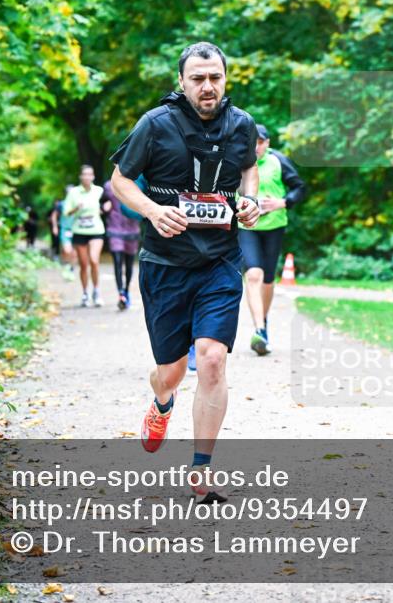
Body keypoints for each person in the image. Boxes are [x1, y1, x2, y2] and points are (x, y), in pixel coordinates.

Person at [110, 41, 260, 503]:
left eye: (215, 77)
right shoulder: (155, 125)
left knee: (213, 358)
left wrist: (249, 201)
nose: (207, 86)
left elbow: (249, 169)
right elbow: (118, 180)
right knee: (170, 372)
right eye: (197, 79)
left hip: (219, 260)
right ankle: (162, 402)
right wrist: (153, 211)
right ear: (182, 82)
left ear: (225, 78)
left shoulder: (241, 125)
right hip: (165, 265)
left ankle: (201, 469)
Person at [238, 124, 306, 355]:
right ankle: (258, 328)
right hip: (247, 225)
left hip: (274, 226)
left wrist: (282, 202)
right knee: (253, 274)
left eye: (260, 142)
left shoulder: (279, 160)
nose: (256, 146)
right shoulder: (238, 158)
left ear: (267, 143)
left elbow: (299, 187)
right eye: (252, 142)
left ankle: (263, 324)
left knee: (267, 279)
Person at [64, 165, 106, 307]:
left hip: (96, 231)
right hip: (80, 231)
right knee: (83, 264)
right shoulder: (74, 193)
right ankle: (85, 293)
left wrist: (105, 208)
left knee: (94, 260)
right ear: (80, 177)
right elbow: (66, 212)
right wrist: (76, 208)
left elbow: (108, 202)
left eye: (90, 174)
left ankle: (96, 291)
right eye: (85, 174)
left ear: (93, 176)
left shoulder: (99, 191)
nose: (87, 177)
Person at [102, 178, 142, 309]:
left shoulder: (136, 183)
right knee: (117, 262)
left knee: (129, 265)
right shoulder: (108, 186)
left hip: (132, 229)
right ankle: (121, 294)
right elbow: (100, 203)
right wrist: (104, 207)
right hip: (114, 228)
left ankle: (126, 290)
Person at [50, 190, 76, 280]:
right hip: (65, 229)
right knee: (67, 250)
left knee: (74, 252)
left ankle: (71, 268)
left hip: (76, 230)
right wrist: (55, 227)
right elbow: (53, 216)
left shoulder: (78, 203)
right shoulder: (61, 204)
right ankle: (67, 265)